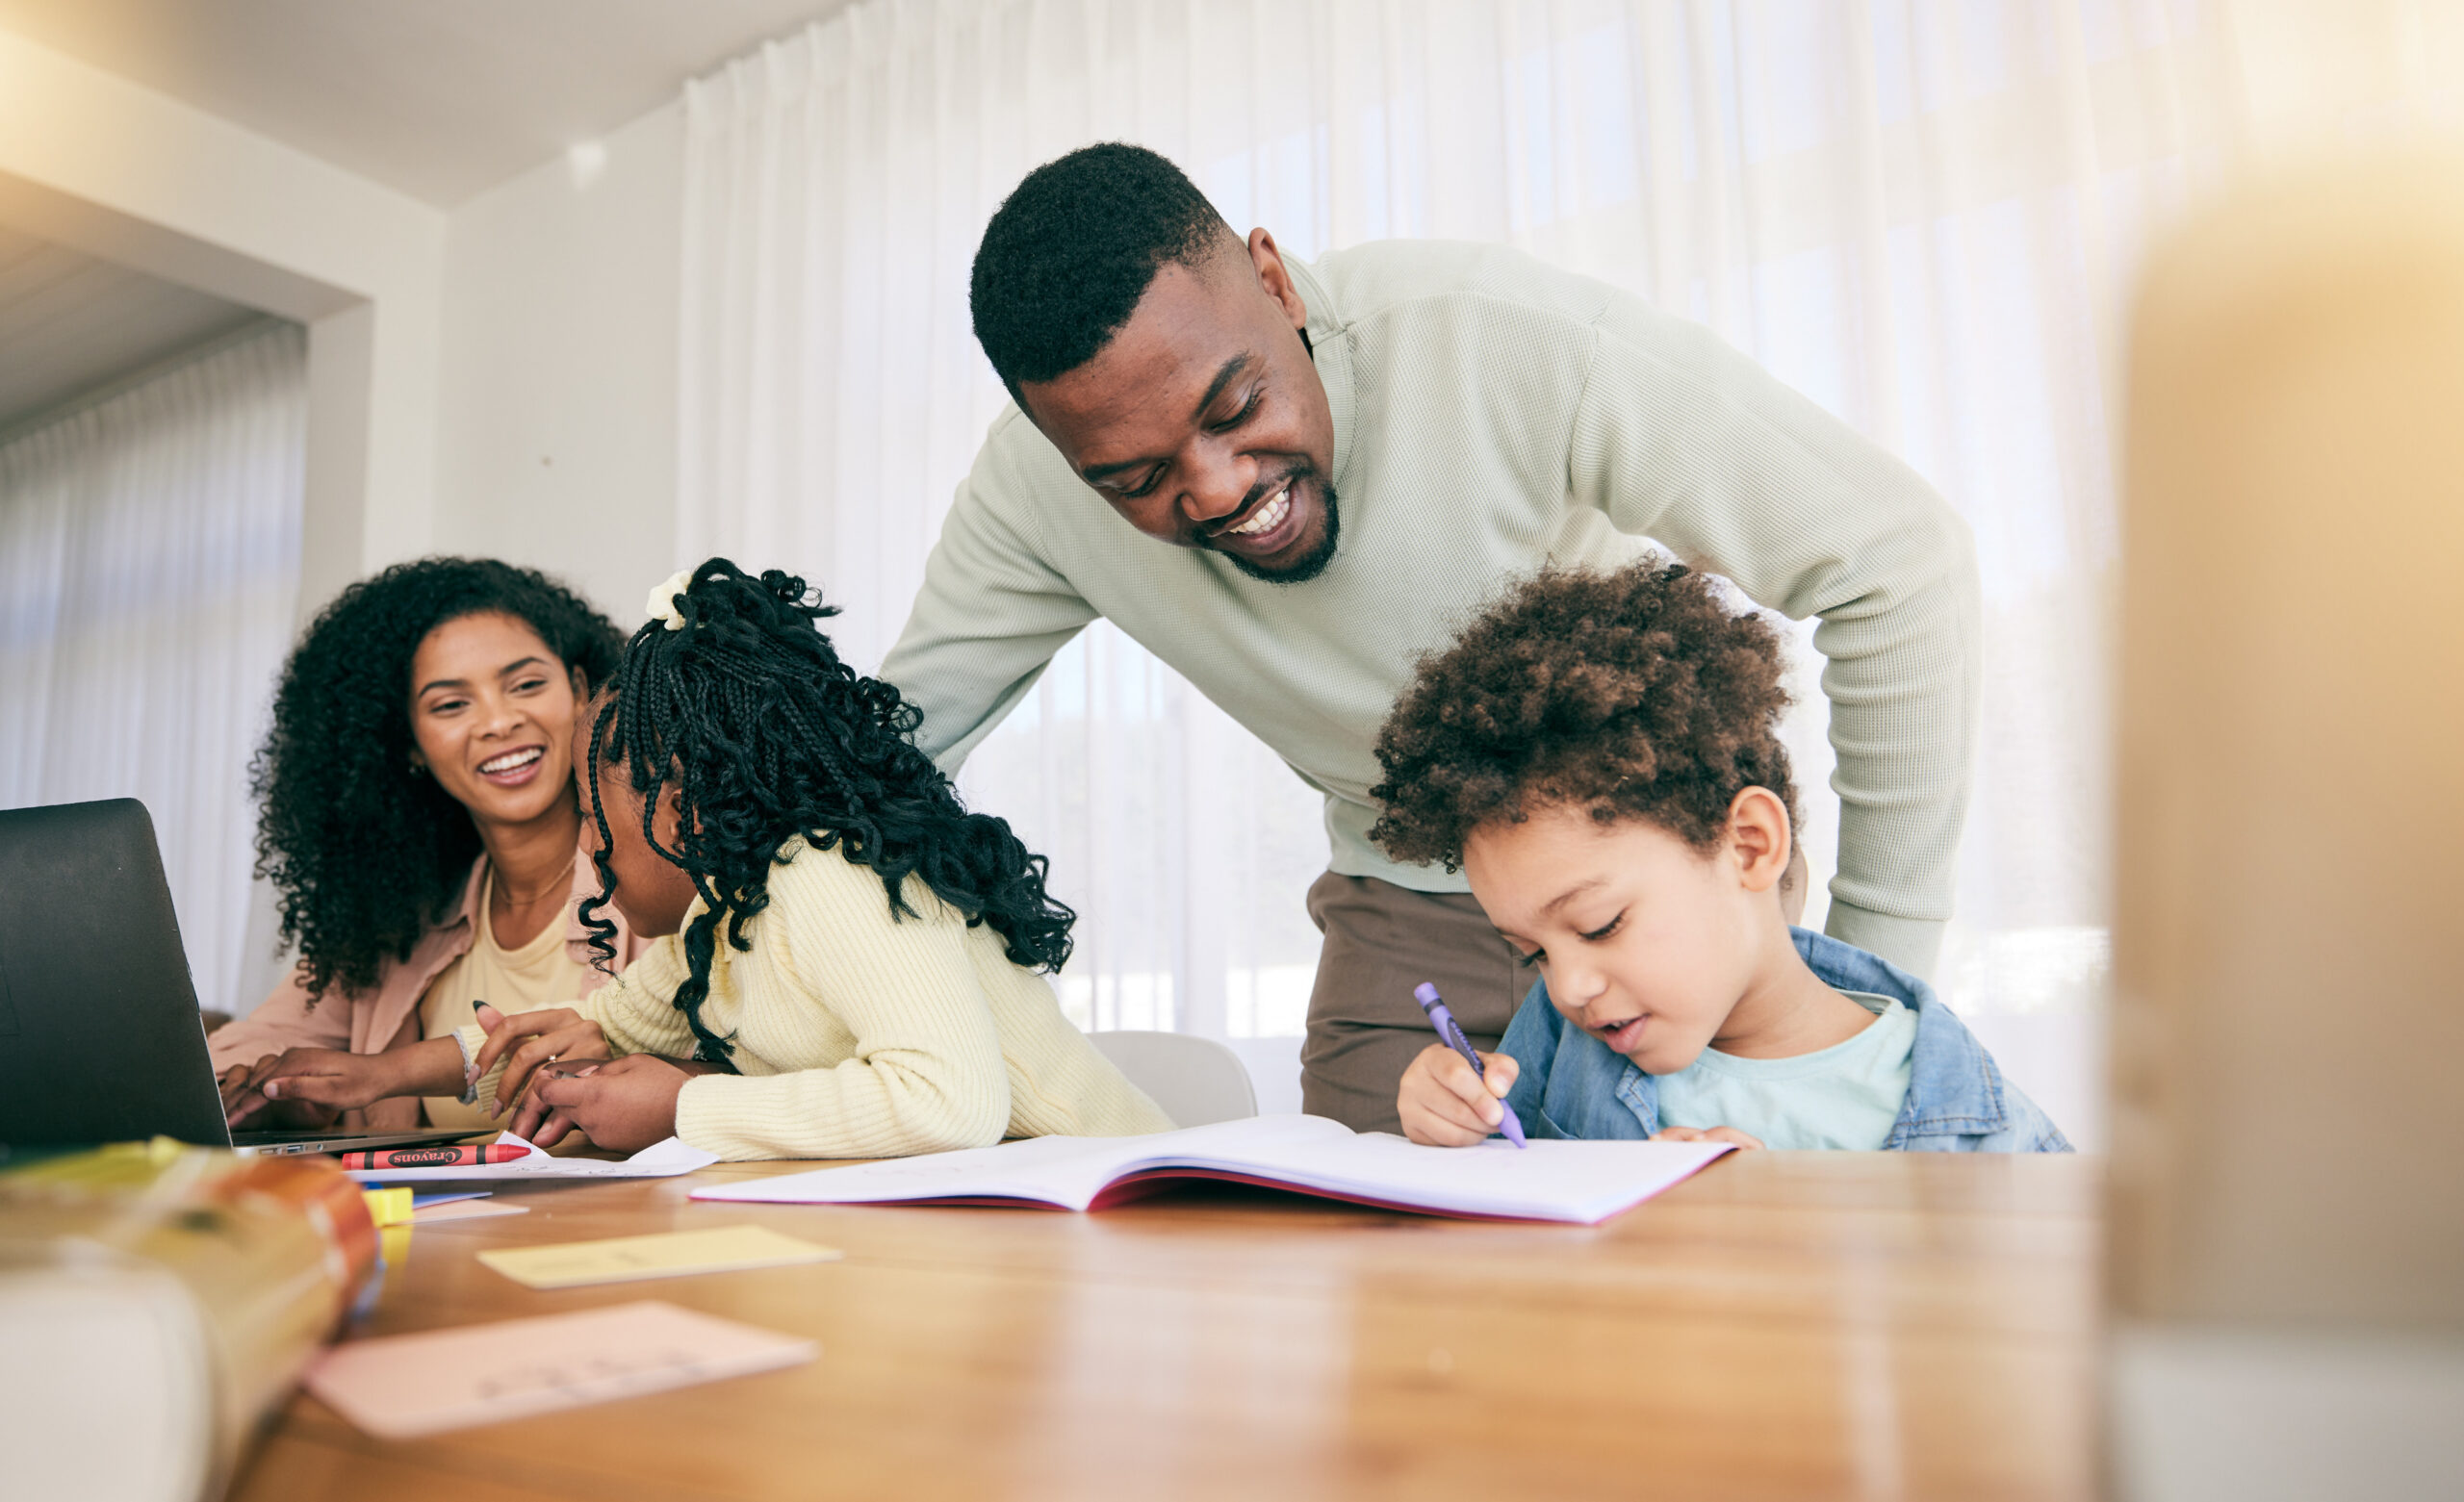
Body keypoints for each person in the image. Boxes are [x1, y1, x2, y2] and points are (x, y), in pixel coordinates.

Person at [880, 142, 1981, 1133]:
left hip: (1643, 872)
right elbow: (874, 760)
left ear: (1276, 281)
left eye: (1233, 407)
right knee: (1381, 1284)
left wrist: (1868, 980)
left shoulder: (1500, 339)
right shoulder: (1032, 496)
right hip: (1404, 911)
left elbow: (1894, 562)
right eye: (1137, 478)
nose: (1217, 491)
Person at [465, 560, 1173, 1158]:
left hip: (1140, 1217)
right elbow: (608, 1022)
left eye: (592, 817)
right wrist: (381, 1076)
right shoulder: (724, 916)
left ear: (683, 811)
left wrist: (685, 1104)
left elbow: (946, 1103)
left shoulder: (826, 873)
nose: (585, 846)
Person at [1373, 562, 2066, 1154]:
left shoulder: (1986, 1134)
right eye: (1535, 954)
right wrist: (1450, 1128)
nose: (1568, 987)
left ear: (1749, 845)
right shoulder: (1556, 1038)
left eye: (1599, 924)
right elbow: (1497, 1250)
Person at [212, 559, 651, 1133]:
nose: (498, 722)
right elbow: (231, 1061)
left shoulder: (665, 877)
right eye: (451, 705)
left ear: (579, 691)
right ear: (410, 743)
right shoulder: (395, 924)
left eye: (526, 685)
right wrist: (281, 1095)